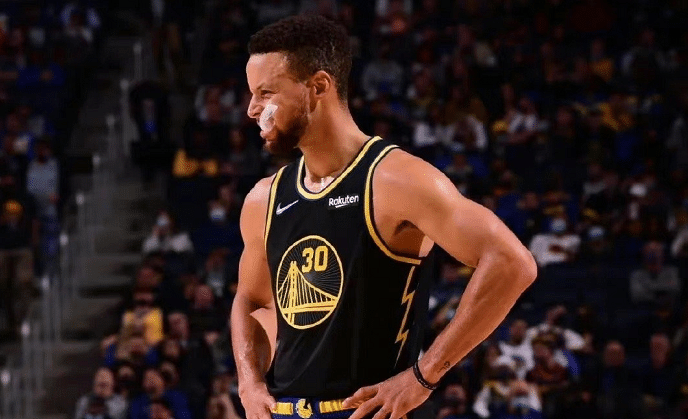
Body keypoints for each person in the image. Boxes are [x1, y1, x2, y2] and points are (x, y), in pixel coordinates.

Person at [230, 15, 537, 419]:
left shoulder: (396, 179)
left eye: (266, 93)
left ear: (318, 86)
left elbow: (511, 262)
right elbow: (253, 300)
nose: (253, 109)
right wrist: (249, 383)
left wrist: (424, 376)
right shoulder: (264, 198)